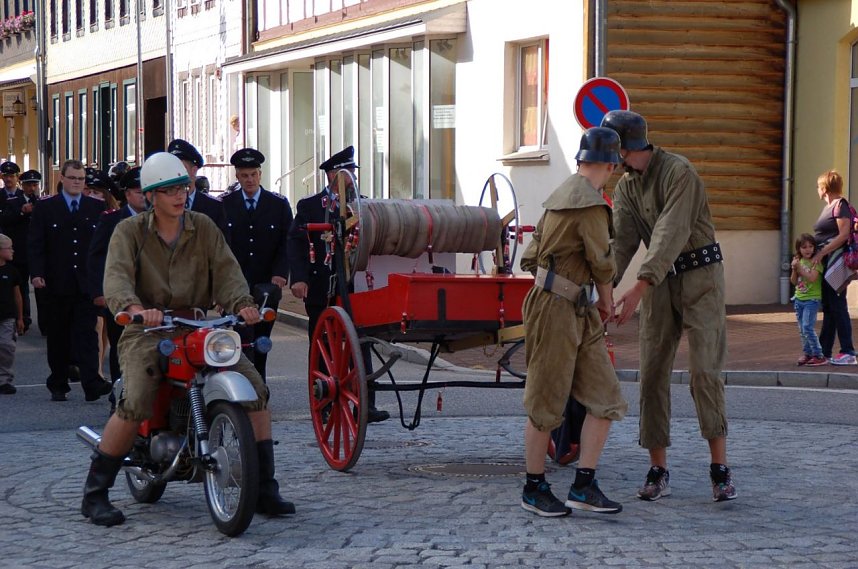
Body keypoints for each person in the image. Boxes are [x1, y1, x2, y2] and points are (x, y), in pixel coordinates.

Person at [80, 151, 295, 527]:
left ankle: (264, 486)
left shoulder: (204, 227)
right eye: (169, 191)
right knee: (138, 397)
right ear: (150, 196)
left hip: (199, 328)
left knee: (256, 388)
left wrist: (243, 304)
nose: (180, 196)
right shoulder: (129, 232)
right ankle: (95, 494)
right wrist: (133, 306)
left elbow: (227, 272)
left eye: (184, 187)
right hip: (146, 330)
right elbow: (115, 279)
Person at [601, 110, 736, 503]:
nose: (610, 161)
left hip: (701, 277)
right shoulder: (626, 187)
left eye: (612, 151)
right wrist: (603, 290)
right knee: (652, 371)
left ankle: (720, 469)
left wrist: (638, 288)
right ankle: (658, 469)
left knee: (704, 372)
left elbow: (669, 233)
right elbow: (622, 242)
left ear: (625, 147)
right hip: (660, 282)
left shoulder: (680, 172)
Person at [518, 127, 627, 517]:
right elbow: (602, 262)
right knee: (546, 401)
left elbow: (528, 259)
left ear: (582, 159)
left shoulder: (558, 197)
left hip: (569, 307)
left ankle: (583, 485)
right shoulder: (589, 204)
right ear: (611, 164)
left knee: (606, 398)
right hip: (560, 311)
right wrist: (607, 302)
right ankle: (534, 488)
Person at [287, 145, 389, 424]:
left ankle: (366, 405)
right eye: (347, 174)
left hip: (354, 287)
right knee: (322, 345)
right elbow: (296, 244)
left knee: (361, 343)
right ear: (332, 175)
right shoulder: (309, 207)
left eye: (353, 173)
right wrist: (298, 278)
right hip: (321, 287)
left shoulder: (363, 206)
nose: (352, 179)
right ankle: (324, 401)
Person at [28, 159, 112, 403]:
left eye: (81, 179)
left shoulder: (95, 207)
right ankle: (58, 382)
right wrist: (36, 273)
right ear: (62, 179)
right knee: (58, 335)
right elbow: (36, 243)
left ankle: (91, 383)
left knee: (87, 334)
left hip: (85, 282)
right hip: (55, 281)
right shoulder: (47, 207)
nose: (77, 182)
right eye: (73, 178)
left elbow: (102, 247)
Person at [222, 148, 292, 381]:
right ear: (237, 177)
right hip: (236, 284)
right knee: (243, 337)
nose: (249, 180)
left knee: (262, 339)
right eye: (244, 175)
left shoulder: (278, 204)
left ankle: (258, 382)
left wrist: (281, 273)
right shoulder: (225, 204)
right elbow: (221, 247)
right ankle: (248, 385)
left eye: (253, 174)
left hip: (267, 285)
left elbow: (286, 242)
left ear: (260, 175)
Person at [88, 166, 147, 389]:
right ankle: (119, 392)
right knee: (120, 345)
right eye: (138, 190)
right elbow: (96, 257)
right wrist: (99, 292)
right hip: (120, 295)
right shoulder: (112, 220)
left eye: (146, 190)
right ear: (127, 194)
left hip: (153, 295)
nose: (143, 195)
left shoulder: (162, 217)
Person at [811, 170, 857, 365]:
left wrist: (822, 252)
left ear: (825, 188)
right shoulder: (829, 207)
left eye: (818, 186)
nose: (817, 190)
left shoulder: (840, 206)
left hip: (836, 263)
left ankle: (848, 351)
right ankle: (825, 351)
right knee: (829, 307)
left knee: (838, 306)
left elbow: (844, 234)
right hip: (827, 263)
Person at [0, 165, 39, 333]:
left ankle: (25, 318)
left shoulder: (26, 197)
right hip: (6, 247)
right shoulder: (2, 197)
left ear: (17, 177)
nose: (8, 179)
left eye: (11, 176)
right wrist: (22, 213)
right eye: (5, 176)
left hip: (24, 248)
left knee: (22, 284)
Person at [167, 138, 227, 232]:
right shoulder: (163, 202)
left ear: (193, 170)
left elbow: (221, 243)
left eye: (182, 168)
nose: (176, 173)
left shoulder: (214, 207)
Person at [790, 233, 826, 366]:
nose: (808, 249)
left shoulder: (816, 262)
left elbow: (812, 278)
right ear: (799, 249)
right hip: (799, 299)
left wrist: (799, 268)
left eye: (811, 246)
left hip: (812, 300)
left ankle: (819, 354)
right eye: (804, 247)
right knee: (802, 329)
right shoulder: (798, 261)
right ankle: (807, 353)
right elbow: (793, 281)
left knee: (807, 327)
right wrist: (794, 269)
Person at [0, 233, 24, 395]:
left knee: (6, 346)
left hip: (7, 316)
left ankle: (3, 379)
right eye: (9, 248)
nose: (12, 251)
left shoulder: (12, 271)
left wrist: (20, 317)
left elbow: (18, 295)